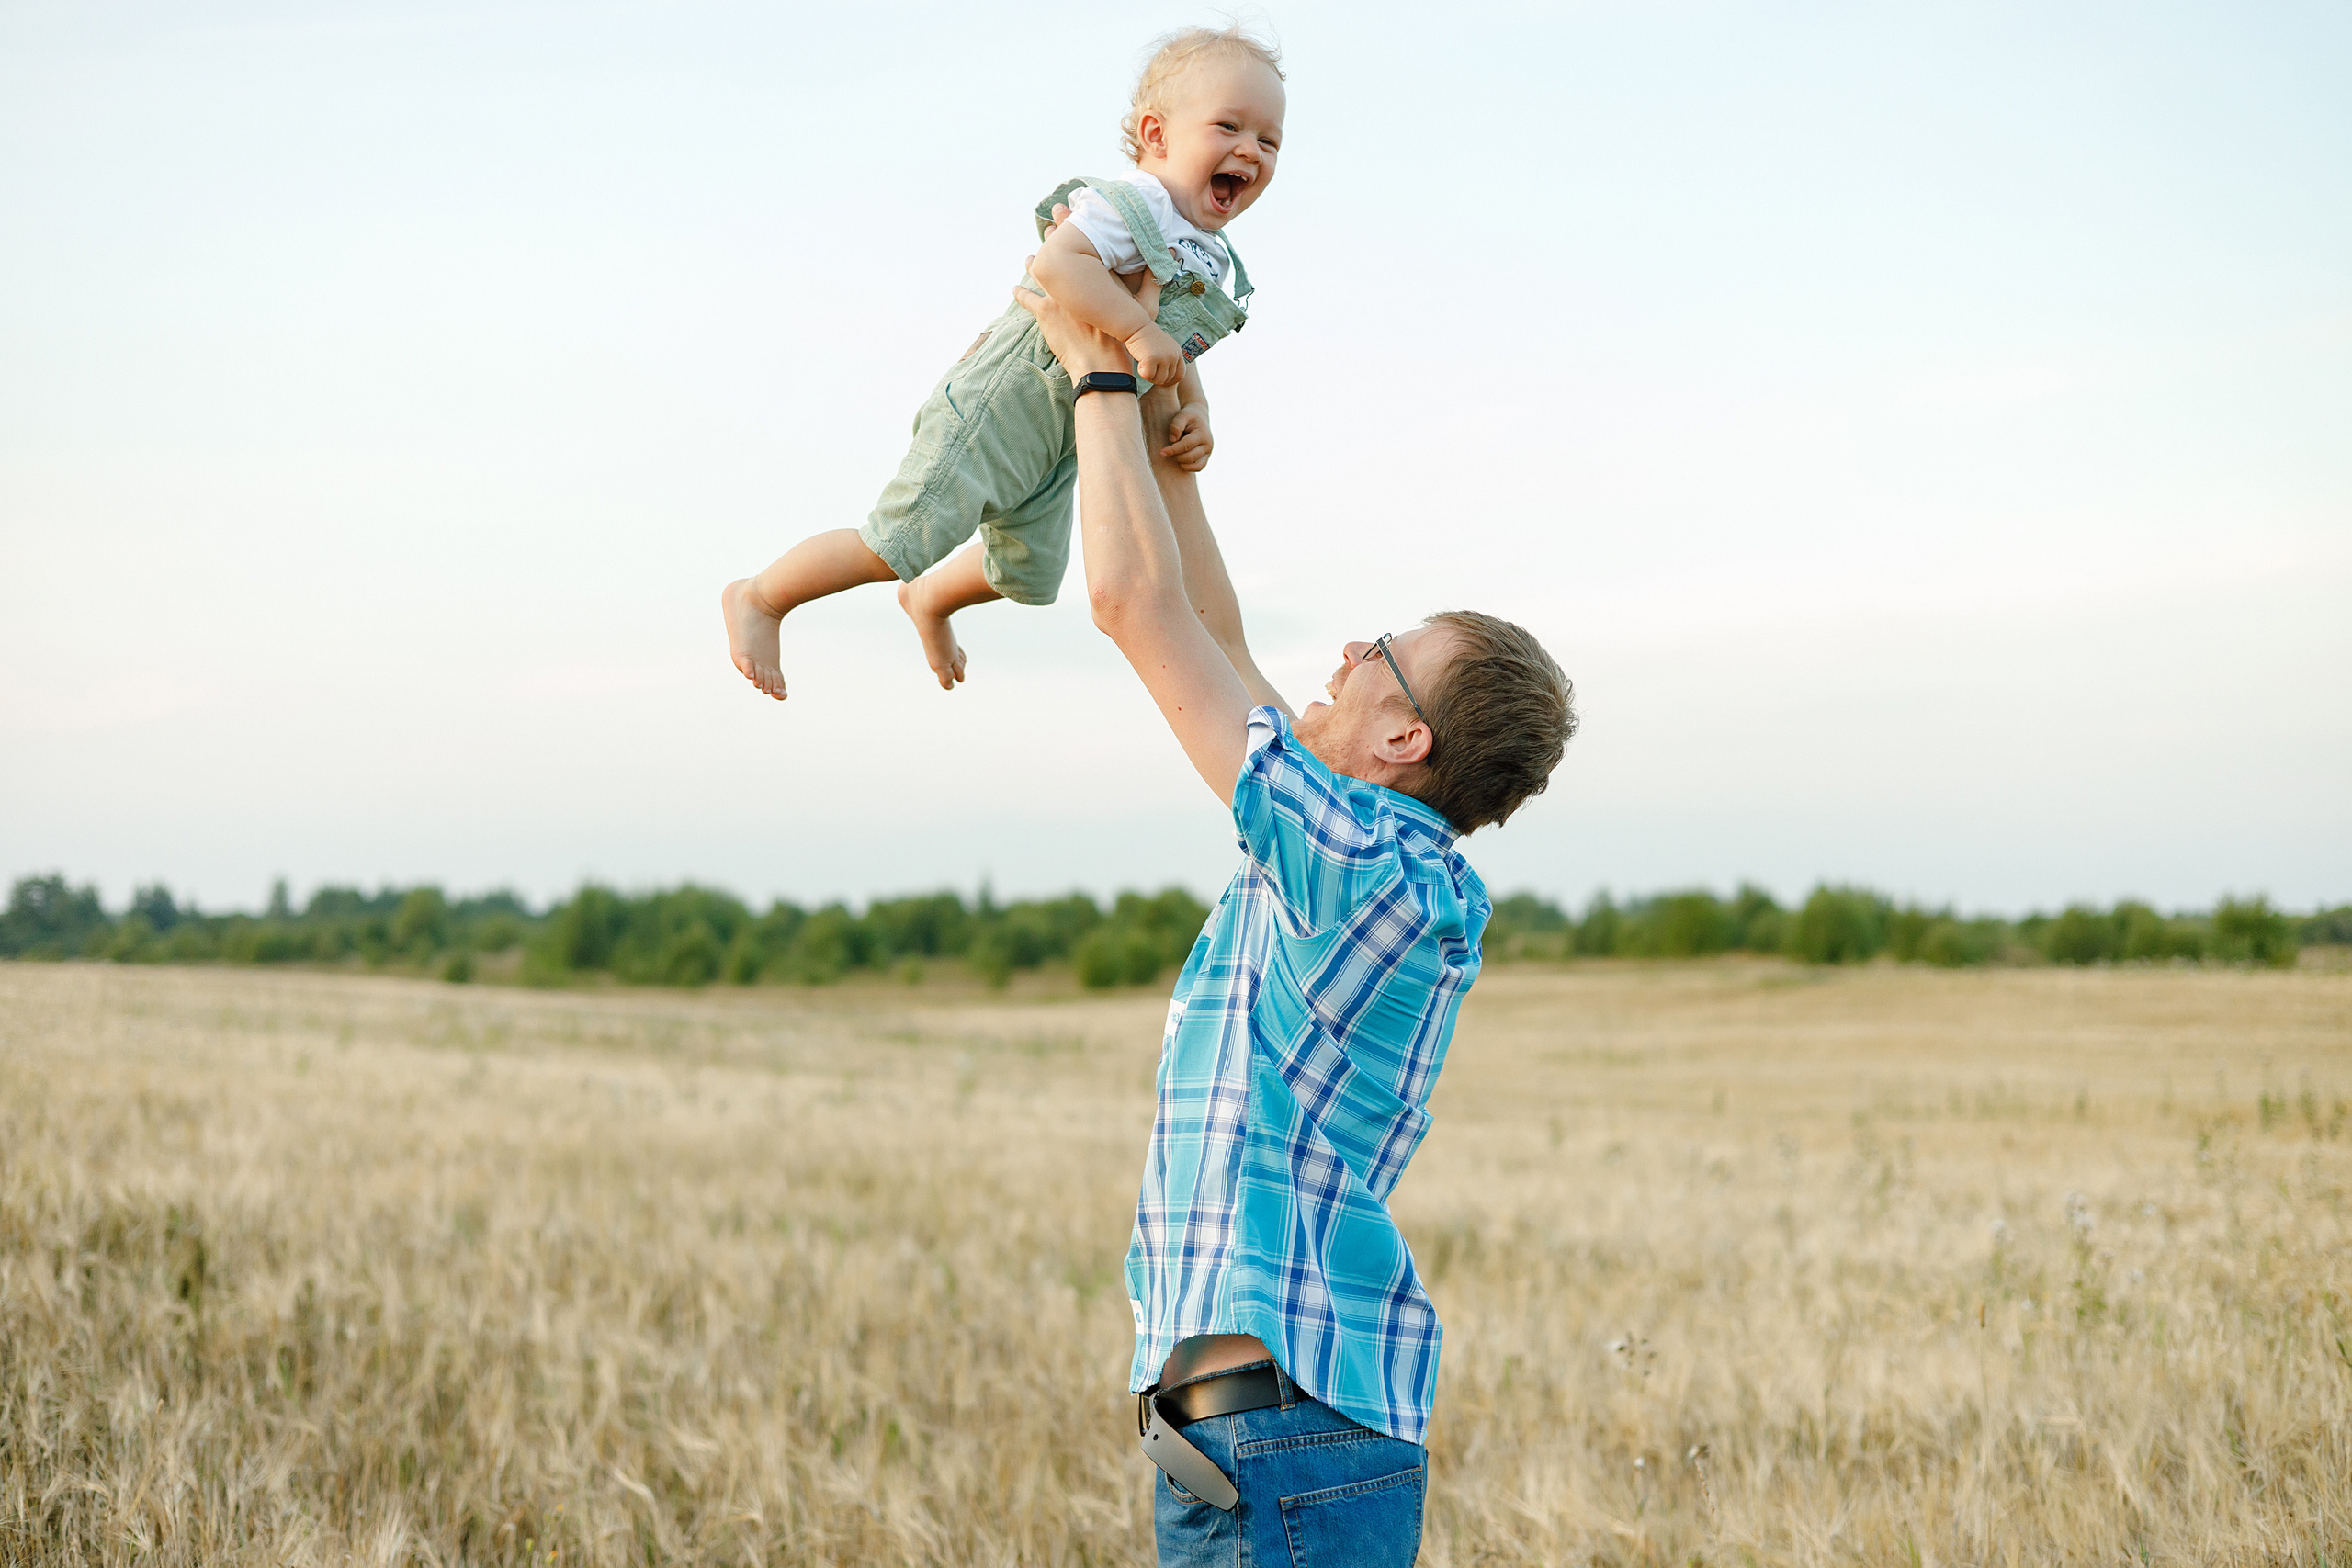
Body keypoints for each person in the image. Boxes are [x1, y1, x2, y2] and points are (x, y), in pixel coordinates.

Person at [1010, 275, 1578, 1562]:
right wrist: (1177, 461)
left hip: (1284, 1409)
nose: (1339, 656)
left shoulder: (1358, 851)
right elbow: (1215, 629)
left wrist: (1093, 368)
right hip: (1259, 1408)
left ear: (1403, 735)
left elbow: (1134, 611)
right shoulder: (1373, 844)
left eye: (1374, 649)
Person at [718, 24, 1284, 701]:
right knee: (892, 543)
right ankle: (760, 596)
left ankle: (928, 597)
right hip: (1003, 402)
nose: (1249, 150)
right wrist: (1136, 330)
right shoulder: (1133, 205)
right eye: (1229, 127)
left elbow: (1176, 341)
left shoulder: (1207, 253)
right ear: (1158, 135)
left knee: (1031, 577)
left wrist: (1197, 407)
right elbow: (1059, 263)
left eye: (1269, 140)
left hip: (1067, 438)